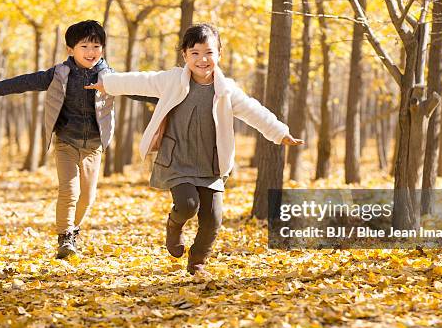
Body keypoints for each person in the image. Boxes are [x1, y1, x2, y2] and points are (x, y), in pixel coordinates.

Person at [85, 23, 303, 274]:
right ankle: (174, 225)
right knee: (188, 204)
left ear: (219, 54)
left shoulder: (226, 89)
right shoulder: (172, 80)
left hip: (210, 162)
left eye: (209, 53)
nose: (202, 59)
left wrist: (280, 132)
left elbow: (254, 111)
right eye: (195, 53)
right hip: (177, 158)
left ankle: (197, 261)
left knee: (213, 219)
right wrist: (107, 83)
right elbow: (141, 81)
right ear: (185, 55)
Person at [0, 20, 154, 259]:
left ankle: (72, 230)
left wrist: (165, 99)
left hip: (93, 147)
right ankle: (65, 238)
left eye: (96, 46)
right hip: (66, 141)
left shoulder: (109, 76)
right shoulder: (59, 74)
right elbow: (25, 81)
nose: (91, 52)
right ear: (70, 49)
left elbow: (135, 90)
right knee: (69, 191)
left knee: (88, 197)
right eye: (85, 46)